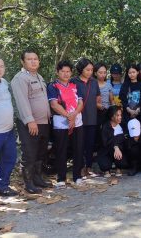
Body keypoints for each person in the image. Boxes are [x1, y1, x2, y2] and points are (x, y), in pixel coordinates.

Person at [11, 49, 52, 194]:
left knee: (41, 152)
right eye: (29, 59)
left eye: (36, 59)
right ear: (23, 62)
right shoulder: (20, 78)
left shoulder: (39, 77)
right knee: (30, 153)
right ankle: (28, 183)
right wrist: (30, 121)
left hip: (43, 122)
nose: (33, 61)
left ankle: (37, 179)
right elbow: (22, 102)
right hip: (30, 123)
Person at [47, 60, 84, 188]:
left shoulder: (75, 85)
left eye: (68, 71)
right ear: (57, 72)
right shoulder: (53, 86)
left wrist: (74, 116)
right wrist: (69, 116)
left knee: (78, 149)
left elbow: (80, 103)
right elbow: (54, 104)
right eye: (62, 71)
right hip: (61, 122)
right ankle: (61, 178)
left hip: (77, 121)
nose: (65, 74)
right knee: (61, 150)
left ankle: (77, 176)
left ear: (71, 72)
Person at [73, 58, 101, 178]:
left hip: (92, 117)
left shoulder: (94, 82)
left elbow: (98, 98)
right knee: (79, 145)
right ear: (81, 69)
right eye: (87, 70)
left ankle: (88, 167)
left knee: (90, 144)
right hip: (78, 118)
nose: (90, 72)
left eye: (91, 70)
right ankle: (78, 168)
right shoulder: (73, 81)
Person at [0, 56, 18, 196]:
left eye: (1, 66)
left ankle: (3, 186)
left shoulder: (4, 82)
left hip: (8, 131)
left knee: (9, 158)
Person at [98, 105, 128, 178]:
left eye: (120, 115)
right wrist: (116, 145)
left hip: (121, 150)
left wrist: (117, 145)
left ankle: (119, 168)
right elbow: (105, 142)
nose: (120, 117)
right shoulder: (105, 127)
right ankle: (107, 170)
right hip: (107, 151)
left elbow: (126, 138)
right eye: (117, 115)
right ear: (111, 117)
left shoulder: (123, 125)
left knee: (123, 162)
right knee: (104, 165)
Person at [119, 64, 141, 129]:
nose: (132, 74)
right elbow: (122, 98)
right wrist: (128, 109)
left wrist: (138, 109)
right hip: (127, 114)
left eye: (133, 72)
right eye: (130, 73)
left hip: (140, 114)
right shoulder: (125, 85)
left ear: (137, 72)